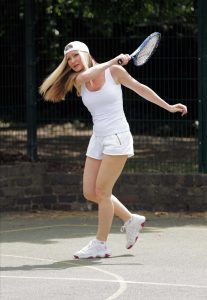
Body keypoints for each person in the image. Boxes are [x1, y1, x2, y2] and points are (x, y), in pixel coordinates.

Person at [39, 41, 187, 259]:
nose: (73, 61)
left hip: (117, 137)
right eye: (69, 59)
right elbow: (93, 72)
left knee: (102, 192)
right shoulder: (77, 79)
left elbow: (140, 89)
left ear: (86, 53)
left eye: (76, 56)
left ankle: (100, 243)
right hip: (97, 139)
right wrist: (113, 60)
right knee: (90, 192)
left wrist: (169, 106)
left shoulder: (115, 72)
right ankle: (130, 219)